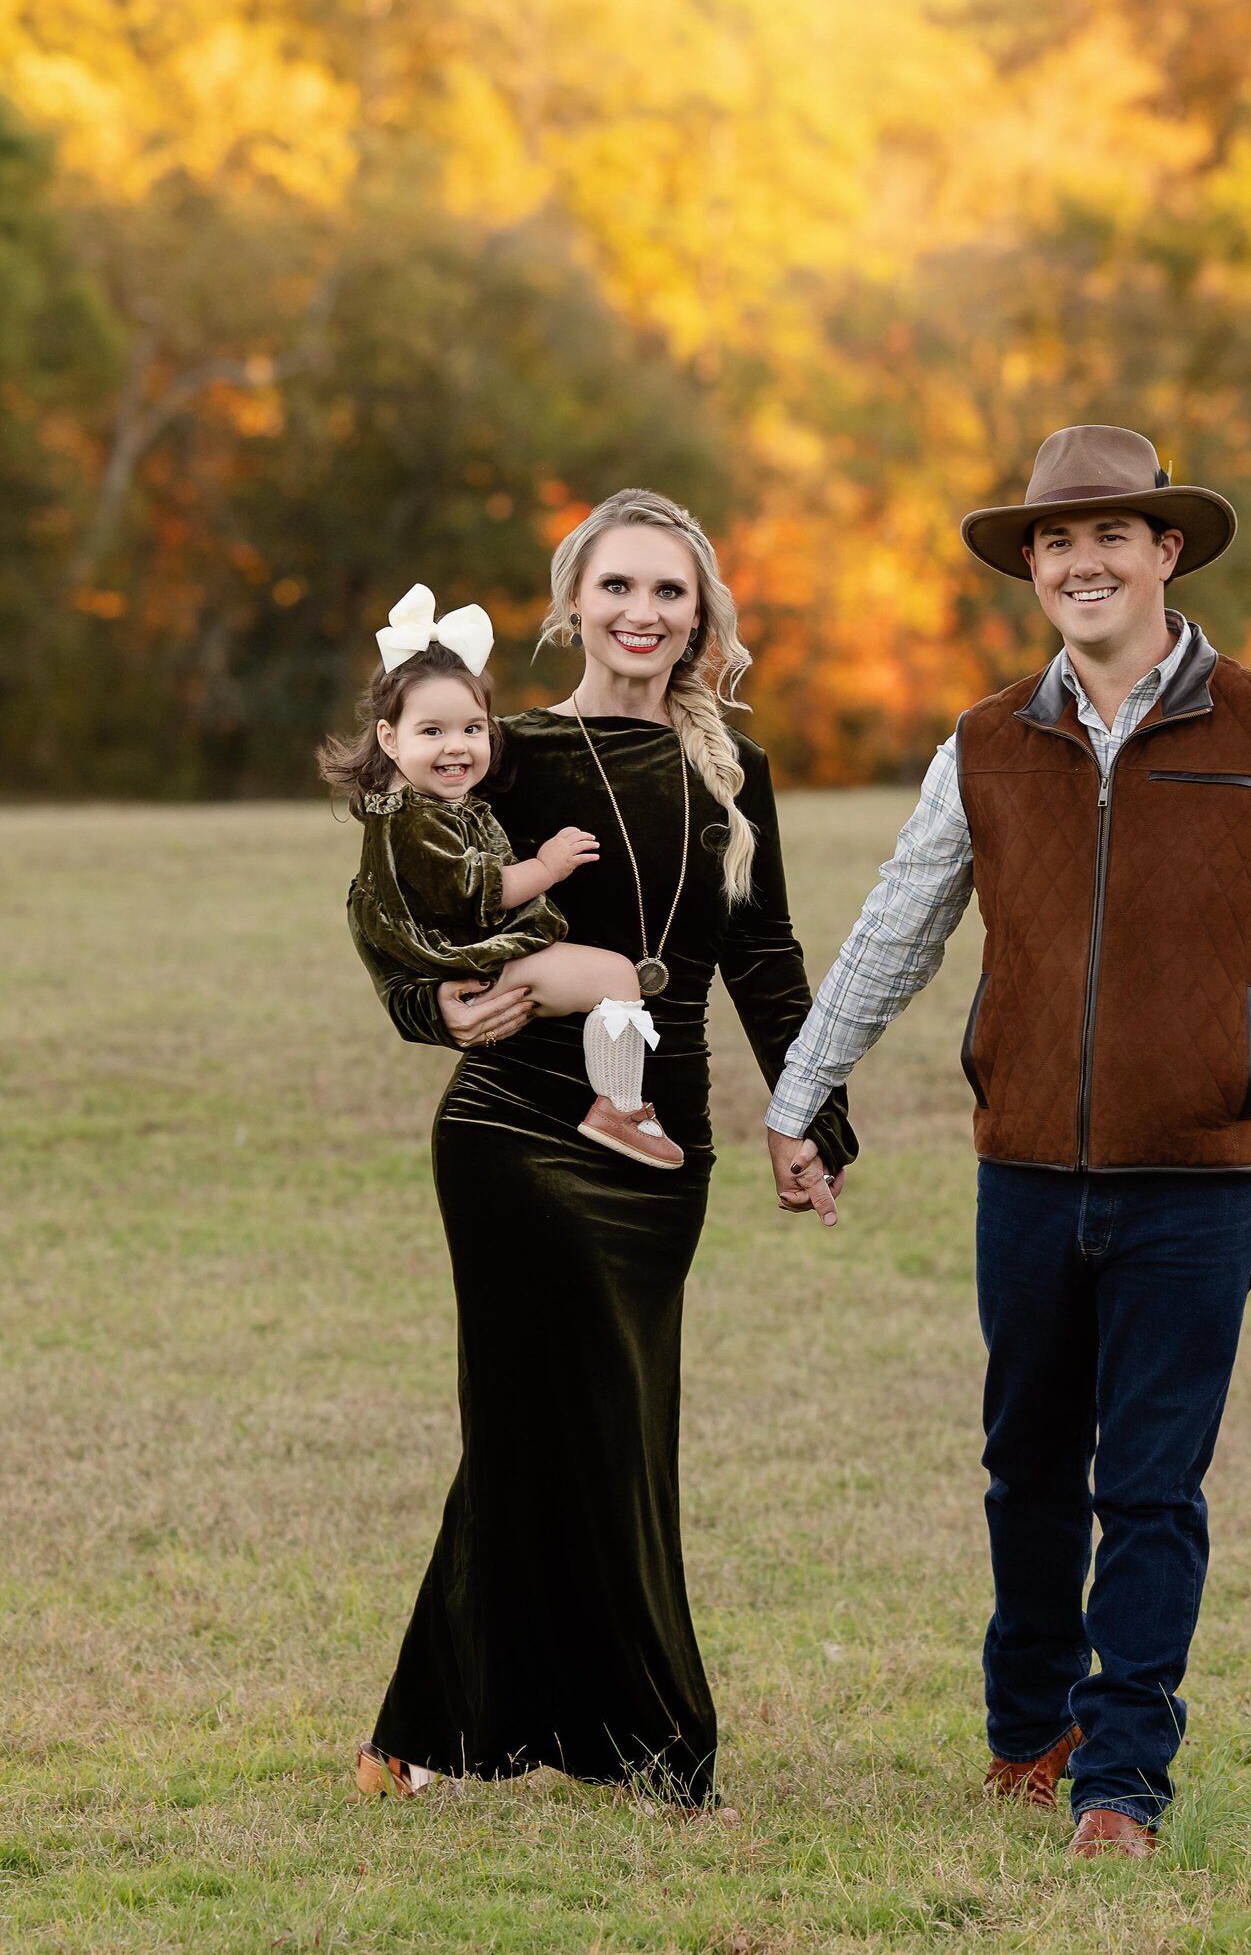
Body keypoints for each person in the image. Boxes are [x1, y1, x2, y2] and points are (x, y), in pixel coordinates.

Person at [764, 424, 1251, 1855]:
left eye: (1112, 534)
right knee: (1029, 1469)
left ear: (1167, 549)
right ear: (1033, 567)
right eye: (1057, 541)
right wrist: (801, 1091)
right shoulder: (988, 741)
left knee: (1152, 1485)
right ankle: (1026, 1731)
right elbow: (896, 926)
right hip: (1029, 1169)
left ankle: (1122, 1781)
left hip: (1202, 1178)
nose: (1083, 561)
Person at [346, 490, 854, 1806]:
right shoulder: (500, 746)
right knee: (569, 1415)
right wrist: (428, 1005)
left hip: (657, 1132)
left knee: (582, 1415)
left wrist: (812, 1114)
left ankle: (428, 1729)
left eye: (670, 591)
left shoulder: (731, 767)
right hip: (515, 1119)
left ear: (703, 615)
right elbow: (396, 888)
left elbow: (767, 956)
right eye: (617, 587)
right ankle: (654, 1741)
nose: (642, 613)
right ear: (571, 599)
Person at [320, 584, 685, 1169]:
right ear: (389, 738)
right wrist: (548, 866)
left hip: (466, 961)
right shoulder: (415, 822)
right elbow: (480, 893)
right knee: (617, 977)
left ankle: (617, 1100)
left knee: (606, 977)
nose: (457, 748)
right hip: (471, 957)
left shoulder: (410, 806)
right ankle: (620, 1105)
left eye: (472, 729)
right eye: (431, 731)